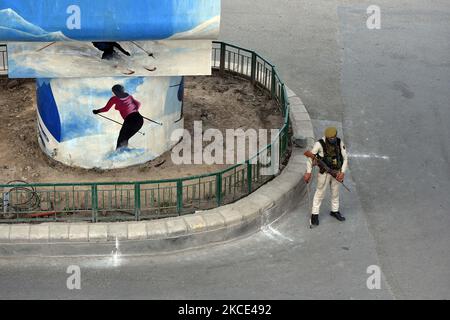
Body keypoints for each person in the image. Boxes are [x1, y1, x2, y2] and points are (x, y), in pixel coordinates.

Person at [303, 127, 349, 227]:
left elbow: (345, 158)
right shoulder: (319, 144)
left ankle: (335, 210)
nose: (332, 139)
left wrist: (342, 172)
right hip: (324, 173)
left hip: (336, 172)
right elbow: (310, 158)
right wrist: (308, 172)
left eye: (333, 137)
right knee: (319, 193)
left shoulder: (339, 142)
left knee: (335, 193)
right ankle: (314, 215)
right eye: (330, 137)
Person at [93, 84, 144, 150]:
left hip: (130, 120)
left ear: (115, 91)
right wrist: (134, 110)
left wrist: (97, 111)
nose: (113, 93)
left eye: (113, 92)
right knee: (124, 139)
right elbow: (138, 104)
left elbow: (106, 109)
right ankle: (125, 154)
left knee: (122, 139)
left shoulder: (114, 99)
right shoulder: (129, 96)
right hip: (139, 119)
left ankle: (120, 156)